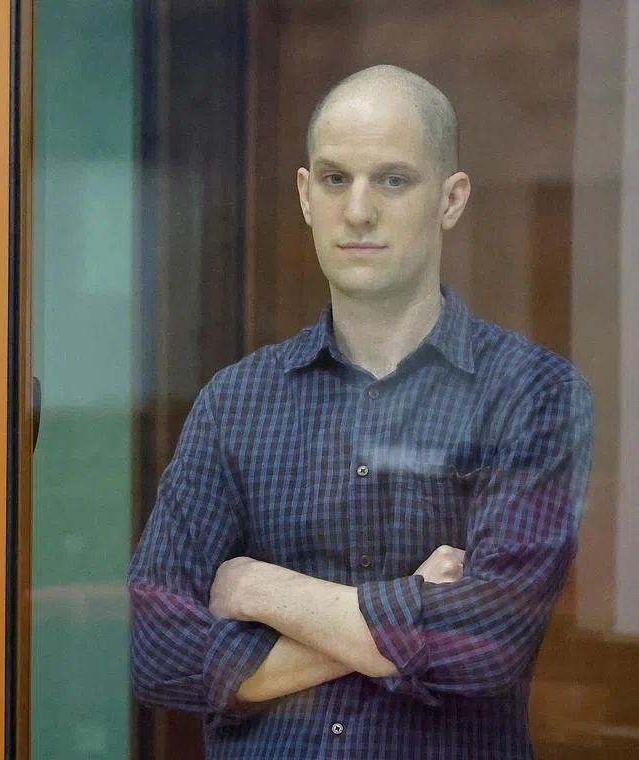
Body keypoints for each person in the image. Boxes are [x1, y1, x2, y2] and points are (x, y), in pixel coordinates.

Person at [128, 65, 594, 759]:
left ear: (451, 198)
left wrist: (260, 588)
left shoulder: (533, 394)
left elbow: (486, 645)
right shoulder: (235, 402)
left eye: (394, 180)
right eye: (336, 178)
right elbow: (155, 647)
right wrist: (413, 604)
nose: (358, 210)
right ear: (305, 194)